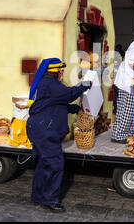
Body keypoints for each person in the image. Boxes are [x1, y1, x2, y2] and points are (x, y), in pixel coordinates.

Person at [26, 58, 91, 212]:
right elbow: (69, 94)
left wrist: (71, 109)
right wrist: (84, 84)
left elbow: (51, 103)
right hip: (45, 131)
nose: (63, 73)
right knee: (55, 164)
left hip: (39, 127)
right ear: (56, 71)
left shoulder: (45, 83)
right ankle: (50, 200)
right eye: (61, 70)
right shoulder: (50, 84)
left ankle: (38, 196)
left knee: (43, 164)